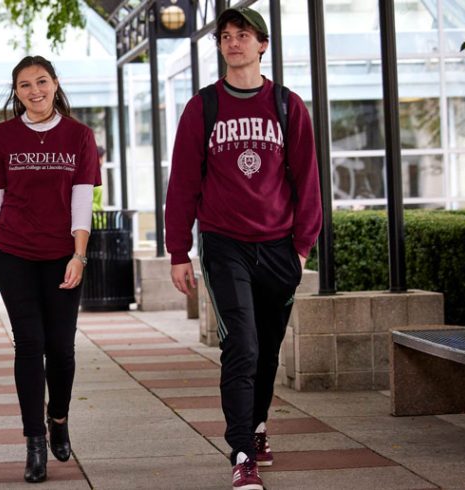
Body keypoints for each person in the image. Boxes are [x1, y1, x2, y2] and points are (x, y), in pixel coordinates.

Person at [164, 7, 322, 490]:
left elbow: (308, 181)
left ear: (262, 45)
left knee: (268, 349)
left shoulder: (289, 106)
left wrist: (301, 248)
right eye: (226, 36)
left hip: (278, 247)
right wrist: (177, 251)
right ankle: (241, 451)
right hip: (224, 244)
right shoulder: (202, 107)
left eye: (243, 35)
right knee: (242, 346)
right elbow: (184, 183)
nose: (233, 42)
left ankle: (256, 426)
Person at [0, 55, 101, 484]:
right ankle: (34, 442)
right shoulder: (2, 136)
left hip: (62, 253)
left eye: (41, 82)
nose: (35, 91)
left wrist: (79, 255)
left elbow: (82, 201)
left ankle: (58, 418)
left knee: (62, 348)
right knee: (29, 343)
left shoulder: (79, 136)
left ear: (55, 83)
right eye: (25, 85)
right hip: (14, 252)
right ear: (17, 92)